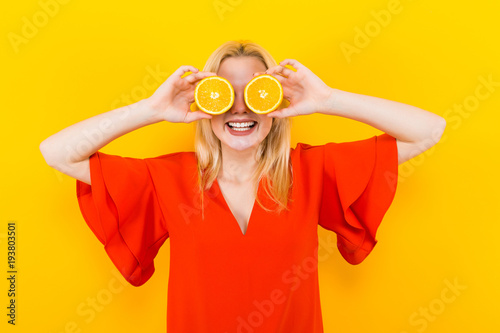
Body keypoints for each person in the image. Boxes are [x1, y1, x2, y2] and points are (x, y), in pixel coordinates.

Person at [39, 40, 446, 332]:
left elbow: (429, 130)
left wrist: (328, 99)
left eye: (256, 92)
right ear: (204, 103)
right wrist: (151, 109)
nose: (240, 107)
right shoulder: (168, 179)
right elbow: (56, 152)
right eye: (222, 93)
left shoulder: (309, 170)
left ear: (276, 104)